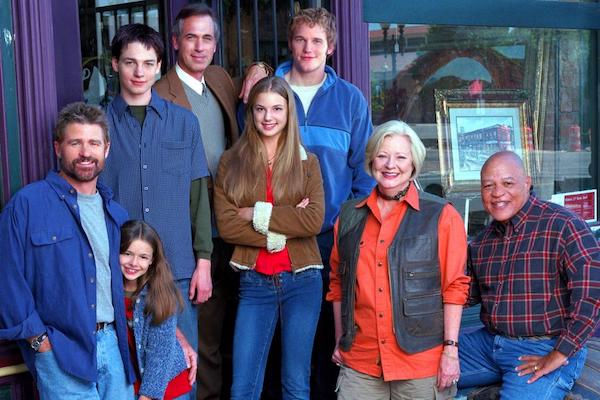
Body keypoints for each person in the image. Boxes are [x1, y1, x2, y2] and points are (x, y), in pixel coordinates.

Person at [153, 5, 269, 398]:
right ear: (175, 42)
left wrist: (260, 67)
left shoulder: (218, 79)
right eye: (191, 37)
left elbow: (254, 84)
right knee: (198, 336)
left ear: (216, 45)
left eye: (207, 38)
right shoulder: (160, 95)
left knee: (228, 329)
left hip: (232, 226)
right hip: (189, 234)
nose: (200, 46)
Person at [101, 24, 211, 399]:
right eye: (130, 62)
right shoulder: (99, 127)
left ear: (159, 65)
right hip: (121, 276)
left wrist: (204, 261)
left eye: (148, 63)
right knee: (128, 379)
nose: (139, 71)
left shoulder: (185, 122)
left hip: (176, 270)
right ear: (114, 64)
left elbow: (198, 196)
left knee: (179, 374)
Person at [327, 120, 470, 400]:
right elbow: (338, 285)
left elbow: (454, 287)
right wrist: (340, 339)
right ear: (371, 160)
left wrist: (450, 352)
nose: (390, 165)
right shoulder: (349, 216)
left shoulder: (442, 215)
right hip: (361, 362)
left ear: (413, 163)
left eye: (401, 157)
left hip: (421, 363)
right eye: (382, 155)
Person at [0, 102, 135, 399]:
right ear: (58, 147)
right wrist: (39, 341)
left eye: (94, 143)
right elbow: (6, 279)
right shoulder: (27, 204)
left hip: (114, 346)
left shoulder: (116, 214)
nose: (86, 152)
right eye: (75, 143)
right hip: (61, 350)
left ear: (106, 149)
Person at [214, 76, 325, 399]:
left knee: (295, 383)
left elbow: (312, 220)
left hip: (303, 282)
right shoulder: (231, 162)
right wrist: (286, 226)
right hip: (255, 282)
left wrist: (256, 213)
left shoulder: (307, 163)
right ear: (250, 112)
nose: (268, 117)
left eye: (277, 109)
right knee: (243, 387)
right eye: (260, 109)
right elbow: (227, 225)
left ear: (288, 113)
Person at [458, 150, 600, 399]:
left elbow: (591, 295)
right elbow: (465, 296)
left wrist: (559, 354)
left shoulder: (563, 225)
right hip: (488, 345)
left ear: (527, 182)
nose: (497, 193)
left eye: (507, 183)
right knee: (418, 367)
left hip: (545, 347)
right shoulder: (482, 243)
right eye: (488, 185)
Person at [119, 220, 195, 400]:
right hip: (132, 384)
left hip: (167, 386)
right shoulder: (109, 290)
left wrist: (147, 396)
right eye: (127, 253)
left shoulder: (160, 293)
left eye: (143, 257)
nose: (134, 263)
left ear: (152, 260)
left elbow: (160, 353)